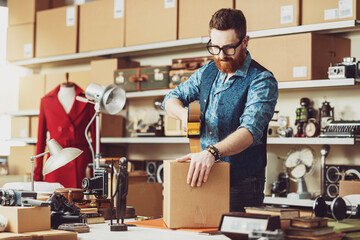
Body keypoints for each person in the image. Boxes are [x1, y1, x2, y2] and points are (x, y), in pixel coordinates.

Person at [162, 8, 278, 212]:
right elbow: (170, 99)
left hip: (242, 183)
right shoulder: (208, 71)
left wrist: (212, 152)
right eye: (214, 47)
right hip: (205, 175)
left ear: (245, 42)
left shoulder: (261, 80)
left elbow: (249, 131)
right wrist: (184, 114)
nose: (221, 56)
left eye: (228, 48)